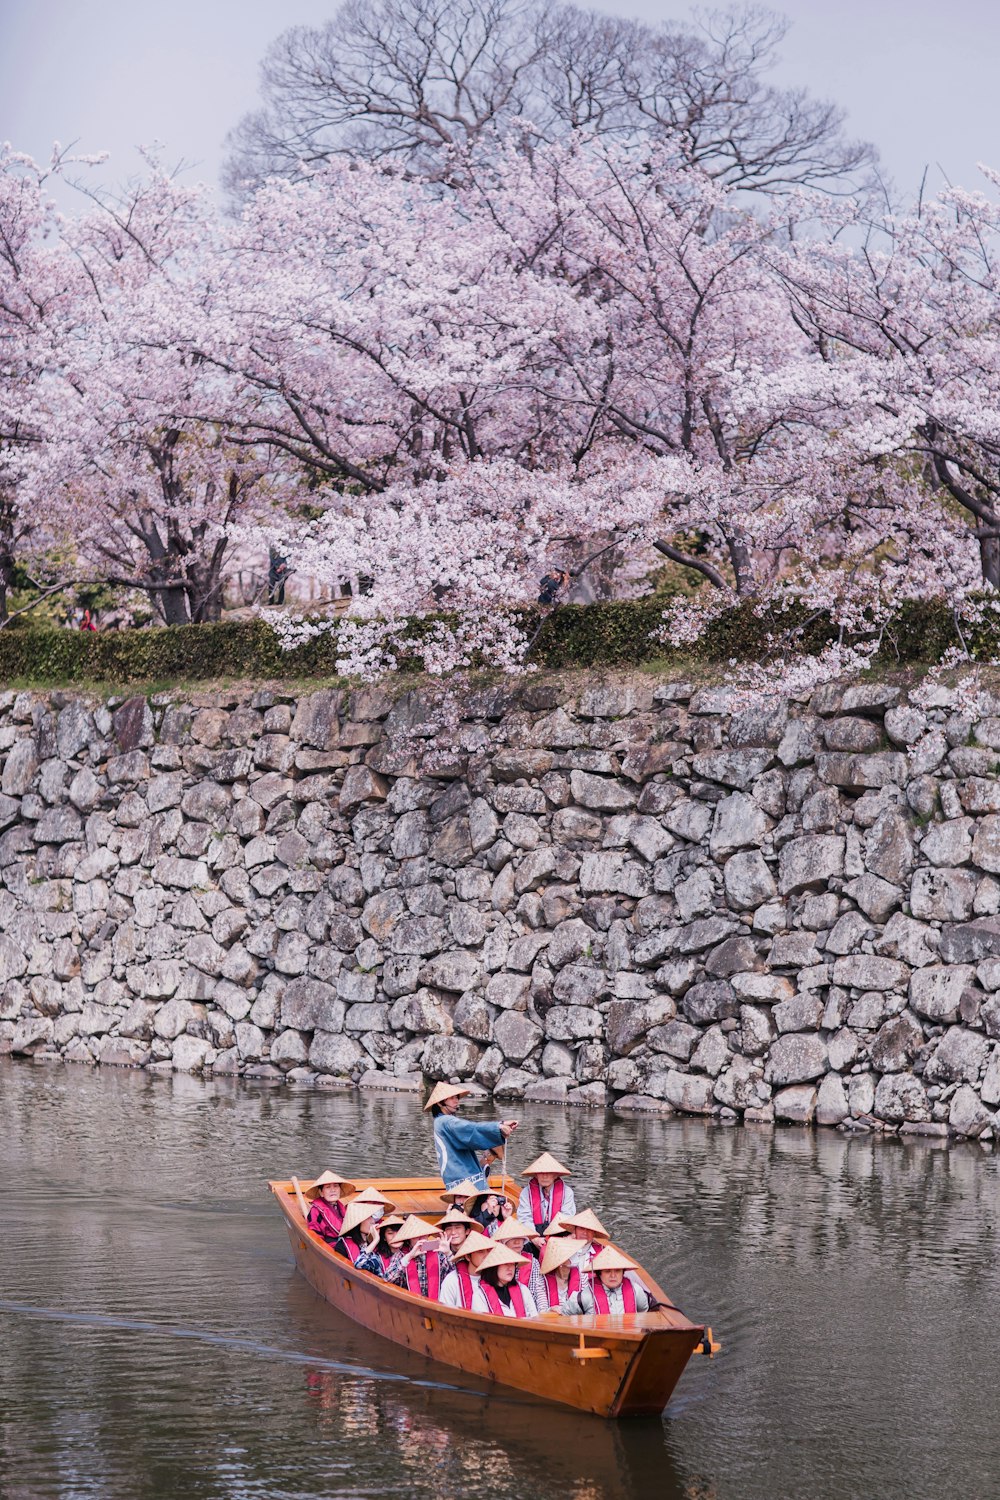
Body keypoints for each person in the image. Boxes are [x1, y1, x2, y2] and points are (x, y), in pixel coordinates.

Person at [424, 1081, 517, 1189]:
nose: (456, 1101)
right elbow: (470, 1129)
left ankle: (484, 1164)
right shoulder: (446, 1121)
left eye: (457, 1097)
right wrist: (499, 1126)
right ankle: (484, 1164)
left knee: (489, 1147)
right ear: (440, 1103)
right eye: (452, 1098)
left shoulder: (439, 1121)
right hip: (465, 1182)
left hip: (454, 1179)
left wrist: (499, 1126)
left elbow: (468, 1129)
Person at [562, 1247, 656, 1315]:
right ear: (599, 1274)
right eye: (607, 1271)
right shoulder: (584, 1297)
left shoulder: (637, 1291)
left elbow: (645, 1312)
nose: (613, 1275)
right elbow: (564, 1314)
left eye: (617, 1271)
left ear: (623, 1272)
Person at [389, 1215, 451, 1299]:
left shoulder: (437, 1252)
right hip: (408, 1305)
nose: (421, 1239)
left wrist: (448, 1253)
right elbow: (387, 1279)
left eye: (424, 1235)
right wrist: (409, 1257)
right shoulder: (401, 1255)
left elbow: (456, 1276)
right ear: (409, 1238)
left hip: (435, 1305)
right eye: (416, 1236)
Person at [516, 1152, 577, 1237]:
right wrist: (534, 1238)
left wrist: (550, 1239)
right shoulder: (526, 1193)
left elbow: (566, 1218)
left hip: (558, 1234)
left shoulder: (567, 1192)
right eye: (541, 1173)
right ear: (536, 1175)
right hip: (533, 1234)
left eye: (549, 1173)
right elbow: (524, 1218)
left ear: (555, 1175)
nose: (545, 1176)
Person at [471, 1245, 539, 1319]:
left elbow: (534, 1318)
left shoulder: (523, 1290)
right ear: (494, 1267)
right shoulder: (480, 1295)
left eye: (512, 1263)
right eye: (505, 1263)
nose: (510, 1268)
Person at [493, 1217, 545, 1307]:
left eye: (521, 1238)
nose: (517, 1242)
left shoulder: (533, 1262)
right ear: (504, 1241)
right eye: (512, 1238)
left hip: (528, 1309)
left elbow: (538, 1294)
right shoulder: (495, 1261)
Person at [437, 1229, 493, 1310]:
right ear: (468, 1257)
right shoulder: (452, 1280)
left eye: (488, 1251)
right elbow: (444, 1313)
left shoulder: (495, 1278)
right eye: (480, 1251)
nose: (486, 1255)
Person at [303, 1170, 355, 1243]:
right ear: (321, 1193)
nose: (333, 1190)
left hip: (346, 1242)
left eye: (336, 1186)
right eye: (328, 1187)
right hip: (332, 1246)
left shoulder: (341, 1207)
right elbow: (316, 1237)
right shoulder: (316, 1211)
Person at [536, 1236, 583, 1312]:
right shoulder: (542, 1280)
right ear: (561, 1262)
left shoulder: (582, 1276)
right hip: (552, 1322)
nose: (575, 1257)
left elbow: (587, 1304)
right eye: (570, 1255)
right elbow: (541, 1310)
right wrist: (551, 1310)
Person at [335, 1199, 381, 1270]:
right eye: (368, 1217)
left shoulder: (377, 1245)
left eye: (372, 1217)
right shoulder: (342, 1246)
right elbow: (358, 1266)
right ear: (357, 1222)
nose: (372, 1221)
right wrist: (375, 1240)